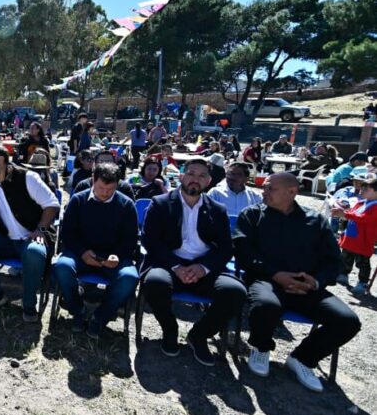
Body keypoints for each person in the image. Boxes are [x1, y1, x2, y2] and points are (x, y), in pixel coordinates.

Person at [234, 173, 361, 392]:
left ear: (291, 192)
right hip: (267, 280)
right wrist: (276, 275)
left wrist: (315, 282)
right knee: (266, 306)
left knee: (347, 320)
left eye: (270, 188)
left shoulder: (315, 221)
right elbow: (245, 253)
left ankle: (303, 359)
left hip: (305, 287)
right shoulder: (252, 216)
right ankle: (261, 347)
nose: (263, 192)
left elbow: (333, 261)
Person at [139, 158, 246, 365]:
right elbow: (150, 241)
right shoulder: (161, 204)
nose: (195, 180)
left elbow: (225, 249)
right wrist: (176, 266)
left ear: (209, 181)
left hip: (203, 268)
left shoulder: (217, 210)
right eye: (190, 174)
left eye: (201, 176)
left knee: (235, 292)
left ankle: (199, 335)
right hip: (169, 265)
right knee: (154, 283)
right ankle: (170, 330)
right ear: (181, 176)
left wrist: (204, 267)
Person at [0, 143, 60, 320]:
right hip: (5, 239)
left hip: (33, 236)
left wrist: (40, 229)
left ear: (1, 160)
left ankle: (29, 305)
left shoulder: (28, 178)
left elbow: (52, 204)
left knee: (35, 252)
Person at [55, 163, 139, 337]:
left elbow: (130, 239)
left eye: (111, 189)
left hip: (112, 257)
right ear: (93, 180)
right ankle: (77, 310)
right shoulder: (78, 200)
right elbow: (67, 234)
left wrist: (117, 255)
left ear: (117, 184)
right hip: (80, 254)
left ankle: (100, 317)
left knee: (129, 277)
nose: (105, 193)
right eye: (101, 187)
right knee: (62, 266)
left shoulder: (126, 205)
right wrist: (83, 252)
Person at [331, 174, 377, 295]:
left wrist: (345, 214)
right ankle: (343, 274)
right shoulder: (361, 203)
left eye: (366, 189)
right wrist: (344, 210)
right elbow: (352, 213)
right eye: (362, 188)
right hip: (351, 237)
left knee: (363, 263)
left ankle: (362, 283)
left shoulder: (375, 207)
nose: (361, 191)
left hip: (363, 240)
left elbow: (364, 219)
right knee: (346, 257)